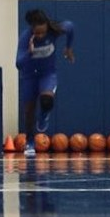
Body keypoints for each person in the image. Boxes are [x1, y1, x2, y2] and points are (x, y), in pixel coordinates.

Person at [16, 9, 76, 156]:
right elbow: (18, 64)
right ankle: (30, 141)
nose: (41, 36)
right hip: (29, 77)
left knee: (47, 100)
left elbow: (71, 26)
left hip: (47, 74)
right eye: (38, 33)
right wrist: (29, 53)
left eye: (43, 32)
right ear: (32, 29)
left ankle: (44, 115)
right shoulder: (25, 38)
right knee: (29, 111)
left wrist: (68, 48)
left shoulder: (54, 31)